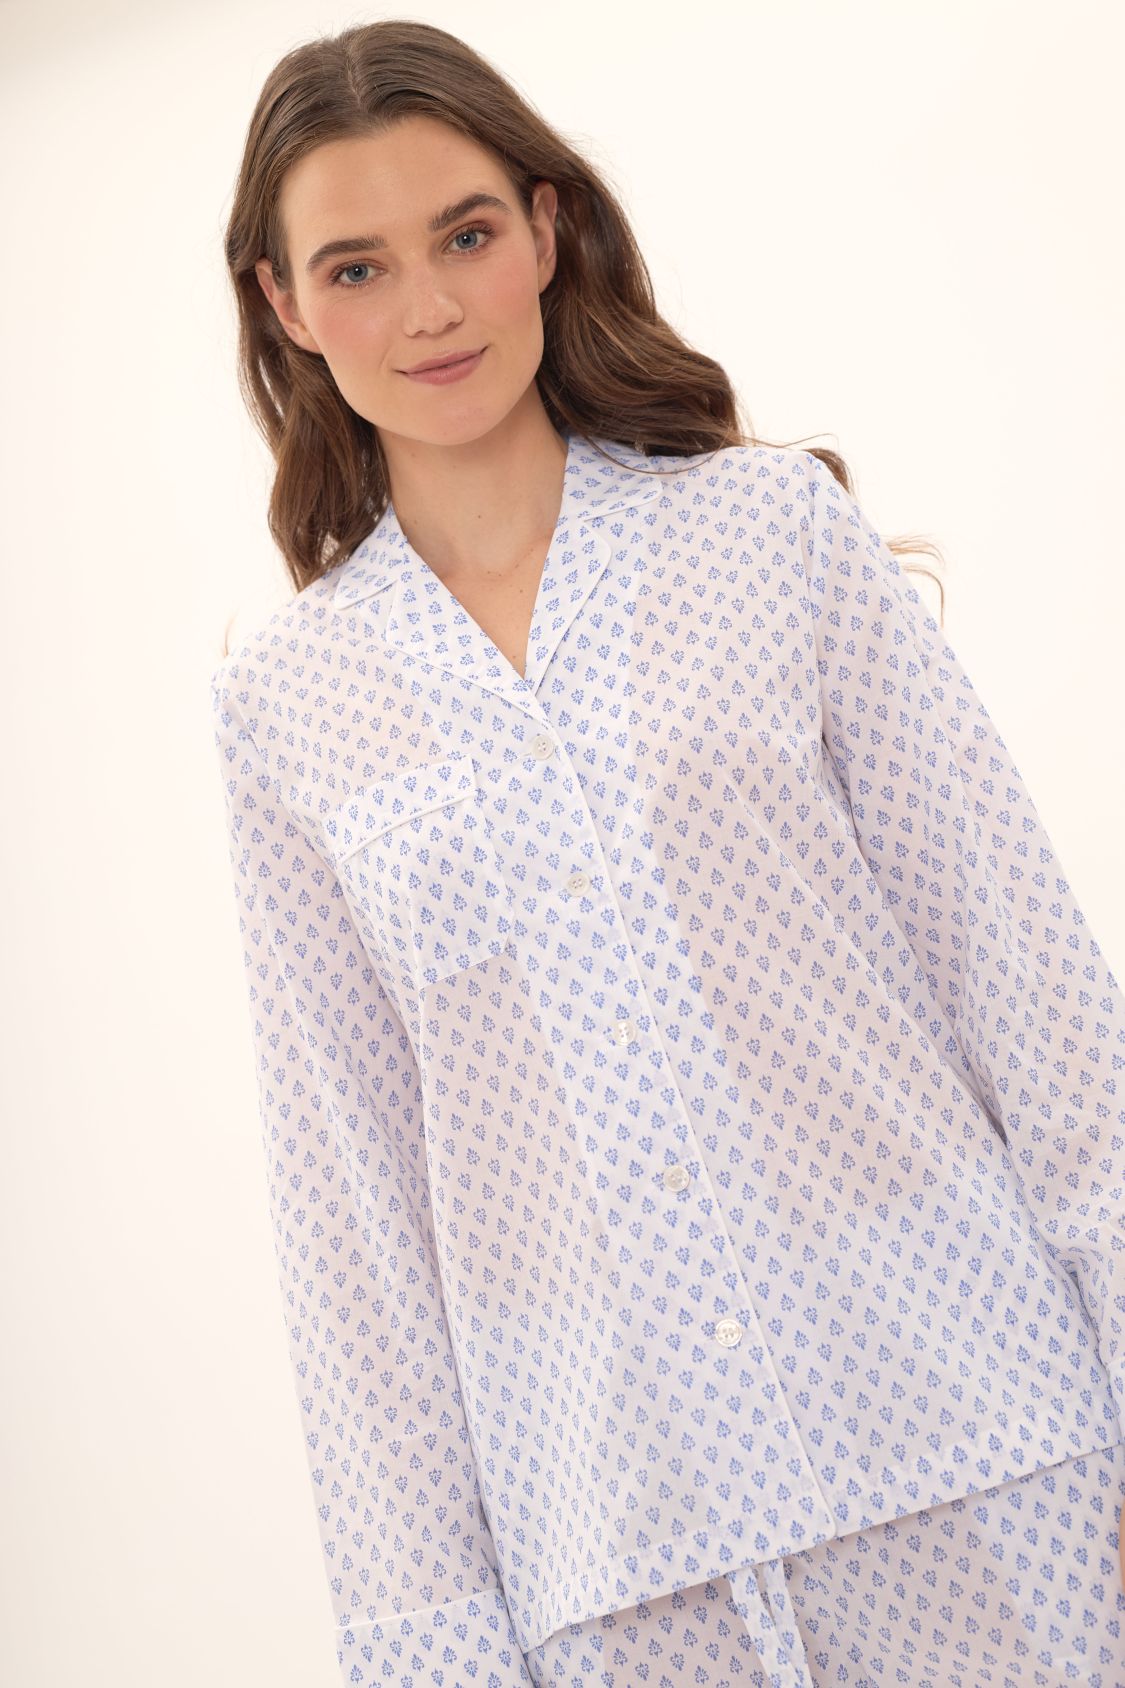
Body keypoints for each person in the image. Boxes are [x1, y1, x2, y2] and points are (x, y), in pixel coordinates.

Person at [210, 19, 1125, 1687]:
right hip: (622, 1560)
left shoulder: (770, 536)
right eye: (354, 268)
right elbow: (355, 1229)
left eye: (464, 236)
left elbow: (1030, 995)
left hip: (980, 1441)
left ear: (546, 229)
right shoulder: (286, 705)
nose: (426, 310)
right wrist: (433, 1652)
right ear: (283, 305)